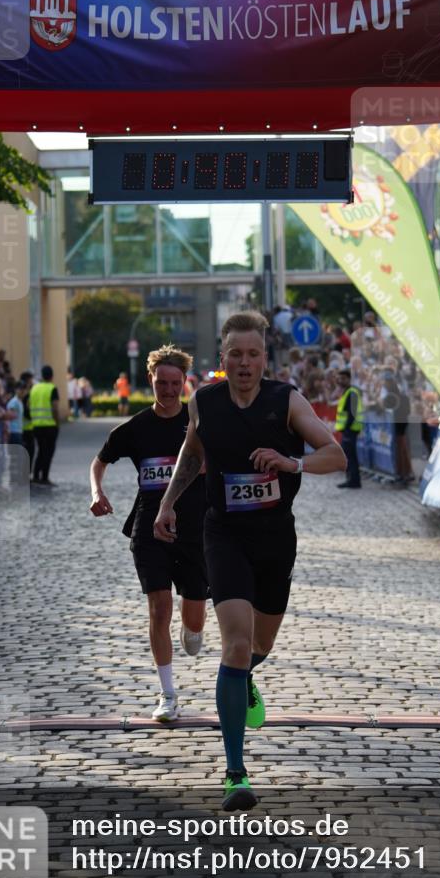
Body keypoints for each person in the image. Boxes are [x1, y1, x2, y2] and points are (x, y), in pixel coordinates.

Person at [153, 311, 346, 811]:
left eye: (253, 354)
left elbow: (335, 455)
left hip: (275, 538)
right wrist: (168, 503)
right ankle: (235, 772)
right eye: (234, 354)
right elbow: (192, 455)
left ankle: (244, 679)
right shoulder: (205, 403)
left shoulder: (287, 401)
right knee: (235, 644)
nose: (244, 362)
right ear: (223, 358)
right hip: (224, 533)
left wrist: (292, 462)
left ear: (265, 357)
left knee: (259, 644)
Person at [90, 345, 208, 722]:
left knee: (194, 619)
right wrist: (97, 492)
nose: (169, 390)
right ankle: (167, 694)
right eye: (162, 383)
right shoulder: (136, 427)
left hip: (195, 526)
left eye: (176, 383)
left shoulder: (200, 423)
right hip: (149, 524)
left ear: (185, 383)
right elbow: (100, 460)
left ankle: (193, 630)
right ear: (151, 381)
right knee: (159, 608)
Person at [30, 366, 60, 485]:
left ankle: (36, 475)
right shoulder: (52, 388)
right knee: (48, 452)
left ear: (42, 376)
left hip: (36, 425)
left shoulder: (34, 388)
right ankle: (44, 477)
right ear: (52, 376)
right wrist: (57, 422)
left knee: (40, 451)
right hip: (50, 425)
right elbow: (55, 407)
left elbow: (29, 405)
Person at [335, 368, 363, 489]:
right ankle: (351, 480)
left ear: (349, 379)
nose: (340, 381)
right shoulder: (347, 391)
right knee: (349, 455)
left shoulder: (351, 392)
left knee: (350, 456)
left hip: (350, 429)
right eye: (339, 378)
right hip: (349, 429)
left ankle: (354, 481)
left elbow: (352, 413)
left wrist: (346, 429)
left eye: (343, 379)